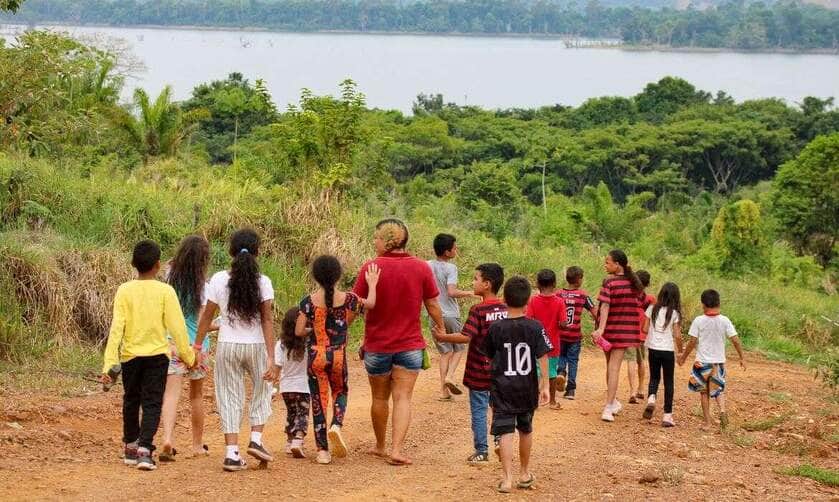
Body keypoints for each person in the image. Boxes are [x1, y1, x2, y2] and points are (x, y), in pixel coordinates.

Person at [353, 218, 444, 466]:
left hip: (377, 346)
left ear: (387, 241)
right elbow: (433, 304)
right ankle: (396, 449)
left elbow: (354, 305)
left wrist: (341, 329)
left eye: (376, 238)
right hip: (410, 345)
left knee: (379, 398)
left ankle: (380, 445)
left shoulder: (370, 268)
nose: (374, 242)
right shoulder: (422, 268)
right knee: (403, 397)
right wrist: (441, 327)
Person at [101, 240, 196, 471]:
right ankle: (145, 449)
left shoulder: (124, 290)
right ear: (158, 265)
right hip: (156, 356)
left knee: (131, 400)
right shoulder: (166, 291)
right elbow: (177, 328)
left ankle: (130, 447)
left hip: (129, 356)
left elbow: (116, 329)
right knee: (152, 402)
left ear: (134, 264)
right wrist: (189, 356)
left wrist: (109, 365)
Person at [194, 228, 279, 472]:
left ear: (231, 251)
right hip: (256, 346)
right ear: (257, 252)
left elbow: (207, 316)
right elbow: (267, 320)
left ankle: (231, 453)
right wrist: (272, 357)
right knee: (263, 390)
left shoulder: (219, 279)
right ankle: (256, 439)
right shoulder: (263, 282)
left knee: (229, 396)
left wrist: (197, 345)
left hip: (227, 345)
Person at [298, 255, 380, 464]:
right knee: (340, 391)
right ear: (338, 275)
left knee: (318, 400)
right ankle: (336, 425)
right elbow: (370, 304)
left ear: (315, 276)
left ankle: (322, 451)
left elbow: (299, 331)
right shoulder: (350, 298)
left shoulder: (308, 302)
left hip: (316, 354)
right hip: (338, 354)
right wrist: (372, 284)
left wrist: (315, 329)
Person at [434, 263, 507, 465]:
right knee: (499, 408)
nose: (472, 282)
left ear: (486, 284)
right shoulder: (506, 309)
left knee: (479, 410)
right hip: (501, 371)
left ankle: (482, 451)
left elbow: (466, 337)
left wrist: (443, 336)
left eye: (476, 279)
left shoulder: (478, 310)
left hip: (479, 371)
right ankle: (500, 440)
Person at [485, 276, 551, 493]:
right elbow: (543, 357)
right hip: (526, 387)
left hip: (502, 387)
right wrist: (545, 386)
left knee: (505, 431)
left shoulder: (495, 328)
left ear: (504, 299)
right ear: (527, 301)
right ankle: (524, 473)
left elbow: (489, 356)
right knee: (525, 429)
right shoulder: (535, 326)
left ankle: (506, 478)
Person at [159, 235, 215, 462]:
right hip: (197, 346)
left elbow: (168, 264)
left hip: (172, 344)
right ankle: (197, 445)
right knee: (196, 395)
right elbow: (204, 322)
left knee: (170, 394)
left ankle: (167, 438)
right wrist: (221, 325)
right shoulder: (205, 286)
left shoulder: (169, 277)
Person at [678, 289, 746, 432]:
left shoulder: (699, 321)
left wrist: (683, 357)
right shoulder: (725, 320)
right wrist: (741, 357)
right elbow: (735, 340)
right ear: (718, 303)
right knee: (718, 390)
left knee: (704, 393)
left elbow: (692, 342)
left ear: (703, 304)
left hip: (701, 363)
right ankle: (722, 411)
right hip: (718, 363)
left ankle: (708, 423)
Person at [592, 249, 646, 423]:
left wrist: (600, 329)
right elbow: (644, 303)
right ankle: (612, 402)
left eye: (608, 262)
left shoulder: (609, 282)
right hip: (624, 333)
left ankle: (608, 406)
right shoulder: (635, 285)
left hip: (609, 331)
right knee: (611, 367)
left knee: (612, 367)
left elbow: (605, 306)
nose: (605, 265)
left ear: (617, 264)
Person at [428, 233, 474, 401]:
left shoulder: (427, 265)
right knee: (460, 348)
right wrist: (471, 292)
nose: (456, 250)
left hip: (434, 313)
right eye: (454, 248)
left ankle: (444, 392)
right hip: (451, 314)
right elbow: (452, 291)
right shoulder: (451, 268)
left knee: (445, 352)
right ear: (447, 252)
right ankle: (451, 376)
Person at [642, 282, 684, 427]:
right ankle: (667, 416)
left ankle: (652, 398)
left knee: (654, 377)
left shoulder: (652, 308)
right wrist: (681, 351)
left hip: (653, 348)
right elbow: (678, 336)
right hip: (667, 350)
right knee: (668, 382)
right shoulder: (675, 313)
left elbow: (645, 328)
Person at [525, 269, 567, 409]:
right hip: (553, 343)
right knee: (552, 372)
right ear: (554, 284)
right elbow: (563, 323)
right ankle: (553, 401)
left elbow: (528, 320)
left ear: (537, 284)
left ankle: (533, 400)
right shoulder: (560, 302)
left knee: (535, 372)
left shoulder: (533, 301)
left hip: (535, 343)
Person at [556, 266, 596, 401]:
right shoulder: (583, 295)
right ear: (579, 280)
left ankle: (561, 371)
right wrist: (598, 325)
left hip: (560, 334)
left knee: (561, 355)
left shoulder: (558, 294)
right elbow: (595, 312)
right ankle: (570, 390)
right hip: (574, 336)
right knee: (573, 360)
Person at [275, 307, 310, 459]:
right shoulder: (308, 343)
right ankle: (298, 439)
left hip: (286, 386)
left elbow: (277, 367)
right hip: (304, 386)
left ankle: (289, 441)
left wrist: (272, 384)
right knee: (302, 414)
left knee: (291, 413)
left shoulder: (280, 344)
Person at [625, 270, 655, 404]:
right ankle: (641, 388)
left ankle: (632, 391)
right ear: (647, 284)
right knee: (641, 361)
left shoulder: (629, 297)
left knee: (630, 361)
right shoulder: (650, 299)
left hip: (629, 332)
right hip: (643, 334)